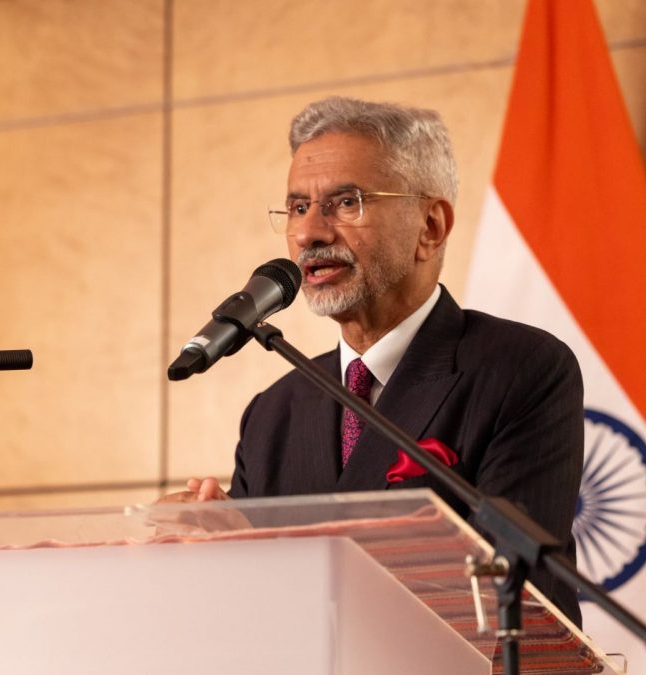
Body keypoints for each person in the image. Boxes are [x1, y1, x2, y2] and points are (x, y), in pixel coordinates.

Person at [173, 96, 583, 622]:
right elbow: (251, 616)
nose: (309, 233)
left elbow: (512, 595)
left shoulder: (518, 369)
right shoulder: (274, 412)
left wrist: (278, 561)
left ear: (430, 227)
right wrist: (212, 545)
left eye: (346, 202)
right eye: (298, 208)